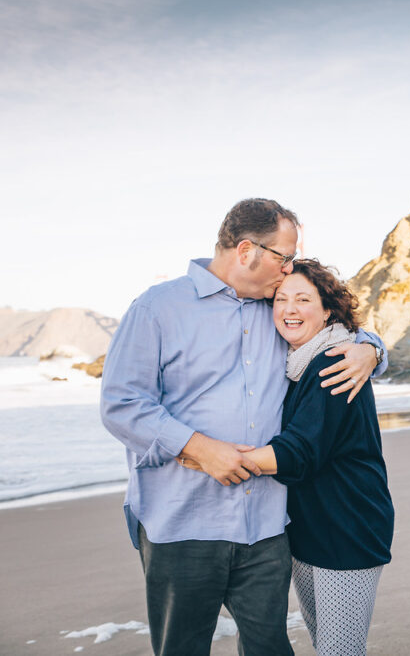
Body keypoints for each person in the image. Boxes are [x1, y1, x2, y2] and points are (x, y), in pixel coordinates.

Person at [100, 198, 388, 656]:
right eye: (284, 257)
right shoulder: (158, 307)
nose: (289, 269)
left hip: (266, 526)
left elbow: (328, 325)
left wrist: (370, 347)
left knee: (269, 647)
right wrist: (198, 447)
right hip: (183, 523)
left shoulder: (274, 309)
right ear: (247, 250)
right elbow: (121, 404)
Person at [187, 259, 394, 656]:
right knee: (327, 646)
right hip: (311, 528)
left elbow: (299, 453)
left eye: (303, 299)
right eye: (281, 299)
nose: (290, 309)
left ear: (328, 310)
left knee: (340, 652)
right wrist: (373, 345)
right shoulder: (295, 364)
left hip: (347, 528)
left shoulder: (334, 362)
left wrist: (211, 457)